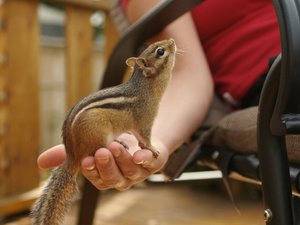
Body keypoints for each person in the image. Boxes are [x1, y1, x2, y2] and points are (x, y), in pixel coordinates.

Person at [38, 0, 281, 191]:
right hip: (274, 80)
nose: (171, 45)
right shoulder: (145, 91)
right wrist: (155, 144)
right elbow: (188, 75)